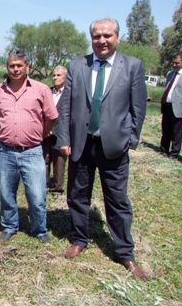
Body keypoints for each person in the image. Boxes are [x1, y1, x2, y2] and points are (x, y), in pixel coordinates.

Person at [56, 18, 148, 280]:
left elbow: (138, 109)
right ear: (91, 38)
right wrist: (64, 138)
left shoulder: (131, 66)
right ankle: (78, 239)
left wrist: (130, 139)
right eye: (96, 36)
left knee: (118, 201)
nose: (101, 41)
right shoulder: (77, 66)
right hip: (81, 144)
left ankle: (125, 253)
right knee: (77, 195)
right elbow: (65, 108)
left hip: (114, 147)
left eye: (107, 35)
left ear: (117, 37)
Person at [0, 48, 58, 243]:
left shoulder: (41, 89)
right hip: (5, 151)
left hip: (32, 151)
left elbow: (51, 117)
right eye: (11, 66)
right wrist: (4, 131)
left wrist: (39, 134)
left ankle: (39, 229)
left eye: (19, 65)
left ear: (28, 66)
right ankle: (9, 226)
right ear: (7, 67)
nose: (15, 69)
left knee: (37, 194)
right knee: (7, 192)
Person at [43, 65, 68, 194]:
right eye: (53, 75)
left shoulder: (70, 93)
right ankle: (44, 185)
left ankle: (58, 188)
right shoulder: (48, 91)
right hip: (45, 133)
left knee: (59, 162)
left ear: (66, 77)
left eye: (58, 75)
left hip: (61, 134)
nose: (55, 78)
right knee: (44, 159)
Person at [160, 52, 182, 159]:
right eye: (173, 63)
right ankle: (163, 149)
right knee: (165, 129)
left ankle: (174, 153)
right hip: (167, 105)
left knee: (176, 132)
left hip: (179, 107)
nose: (174, 65)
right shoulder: (170, 73)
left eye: (177, 63)